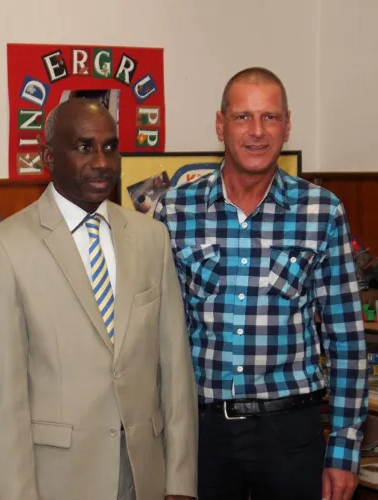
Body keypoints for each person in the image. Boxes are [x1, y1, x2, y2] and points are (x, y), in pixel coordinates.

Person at [154, 67, 368, 500]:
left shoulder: (321, 211)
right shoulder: (174, 211)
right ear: (220, 125)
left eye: (269, 118)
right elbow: (153, 334)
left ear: (287, 126)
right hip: (200, 433)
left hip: (290, 434)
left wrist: (344, 448)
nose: (257, 131)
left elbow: (346, 340)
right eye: (242, 117)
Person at [0, 98, 198, 500]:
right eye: (84, 147)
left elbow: (176, 372)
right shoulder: (5, 246)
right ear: (49, 157)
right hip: (58, 481)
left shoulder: (152, 238)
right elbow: (5, 402)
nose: (102, 161)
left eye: (110, 146)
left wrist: (180, 482)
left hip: (145, 474)